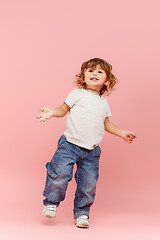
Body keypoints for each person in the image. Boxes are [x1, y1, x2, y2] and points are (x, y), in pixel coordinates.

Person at [37, 57, 136, 228]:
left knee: (88, 184)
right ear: (83, 77)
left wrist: (121, 132)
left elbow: (106, 124)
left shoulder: (103, 103)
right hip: (69, 145)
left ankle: (82, 213)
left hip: (91, 151)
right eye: (90, 71)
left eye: (99, 71)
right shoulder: (77, 94)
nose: (94, 74)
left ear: (107, 81)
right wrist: (52, 111)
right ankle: (51, 203)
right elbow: (63, 110)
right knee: (59, 174)